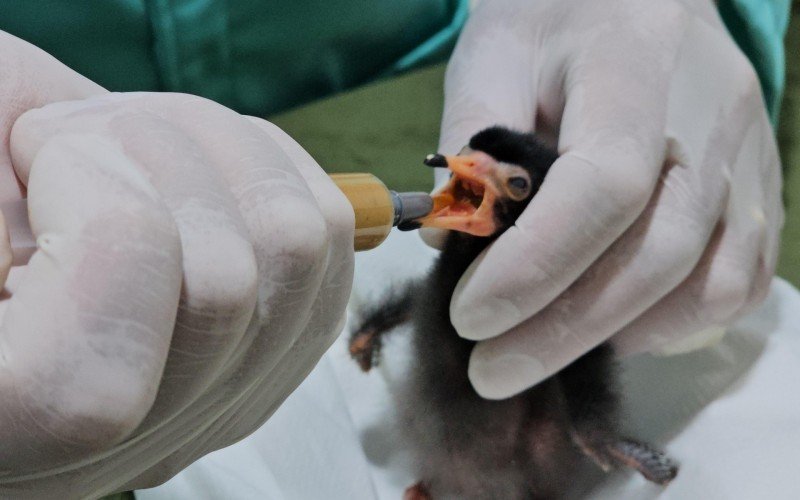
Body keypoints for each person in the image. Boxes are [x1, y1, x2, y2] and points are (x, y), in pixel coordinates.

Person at [0, 0, 789, 497]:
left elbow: (583, 391)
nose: (469, 180)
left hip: (431, 57)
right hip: (63, 152)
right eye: (469, 172)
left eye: (502, 187)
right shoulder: (441, 277)